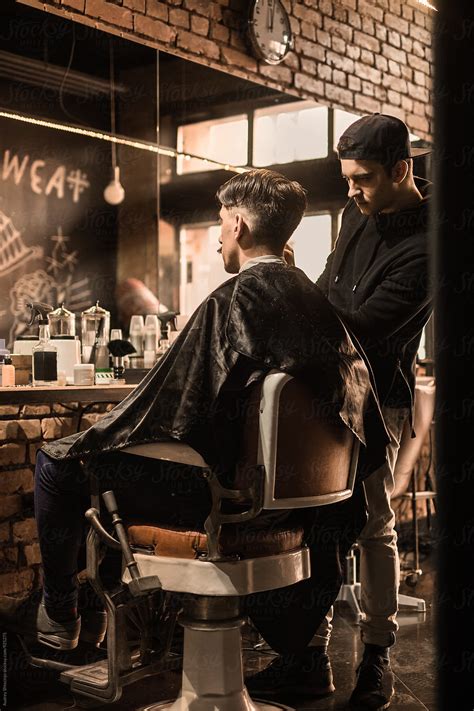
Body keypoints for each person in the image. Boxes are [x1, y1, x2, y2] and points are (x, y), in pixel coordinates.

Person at [0, 169, 385, 663]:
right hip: (294, 504)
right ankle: (98, 613)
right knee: (101, 468)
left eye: (222, 222)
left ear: (240, 226)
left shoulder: (237, 298)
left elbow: (175, 408)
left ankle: (61, 620)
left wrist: (100, 436)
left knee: (58, 465)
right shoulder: (315, 303)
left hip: (220, 496)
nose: (219, 234)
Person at [315, 114, 431, 710]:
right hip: (327, 391)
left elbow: (362, 327)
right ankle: (310, 652)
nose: (351, 192)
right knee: (317, 518)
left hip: (378, 398)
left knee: (372, 524)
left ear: (402, 171)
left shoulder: (432, 245)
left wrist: (292, 300)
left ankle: (378, 653)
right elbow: (330, 290)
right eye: (347, 179)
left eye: (362, 180)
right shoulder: (352, 216)